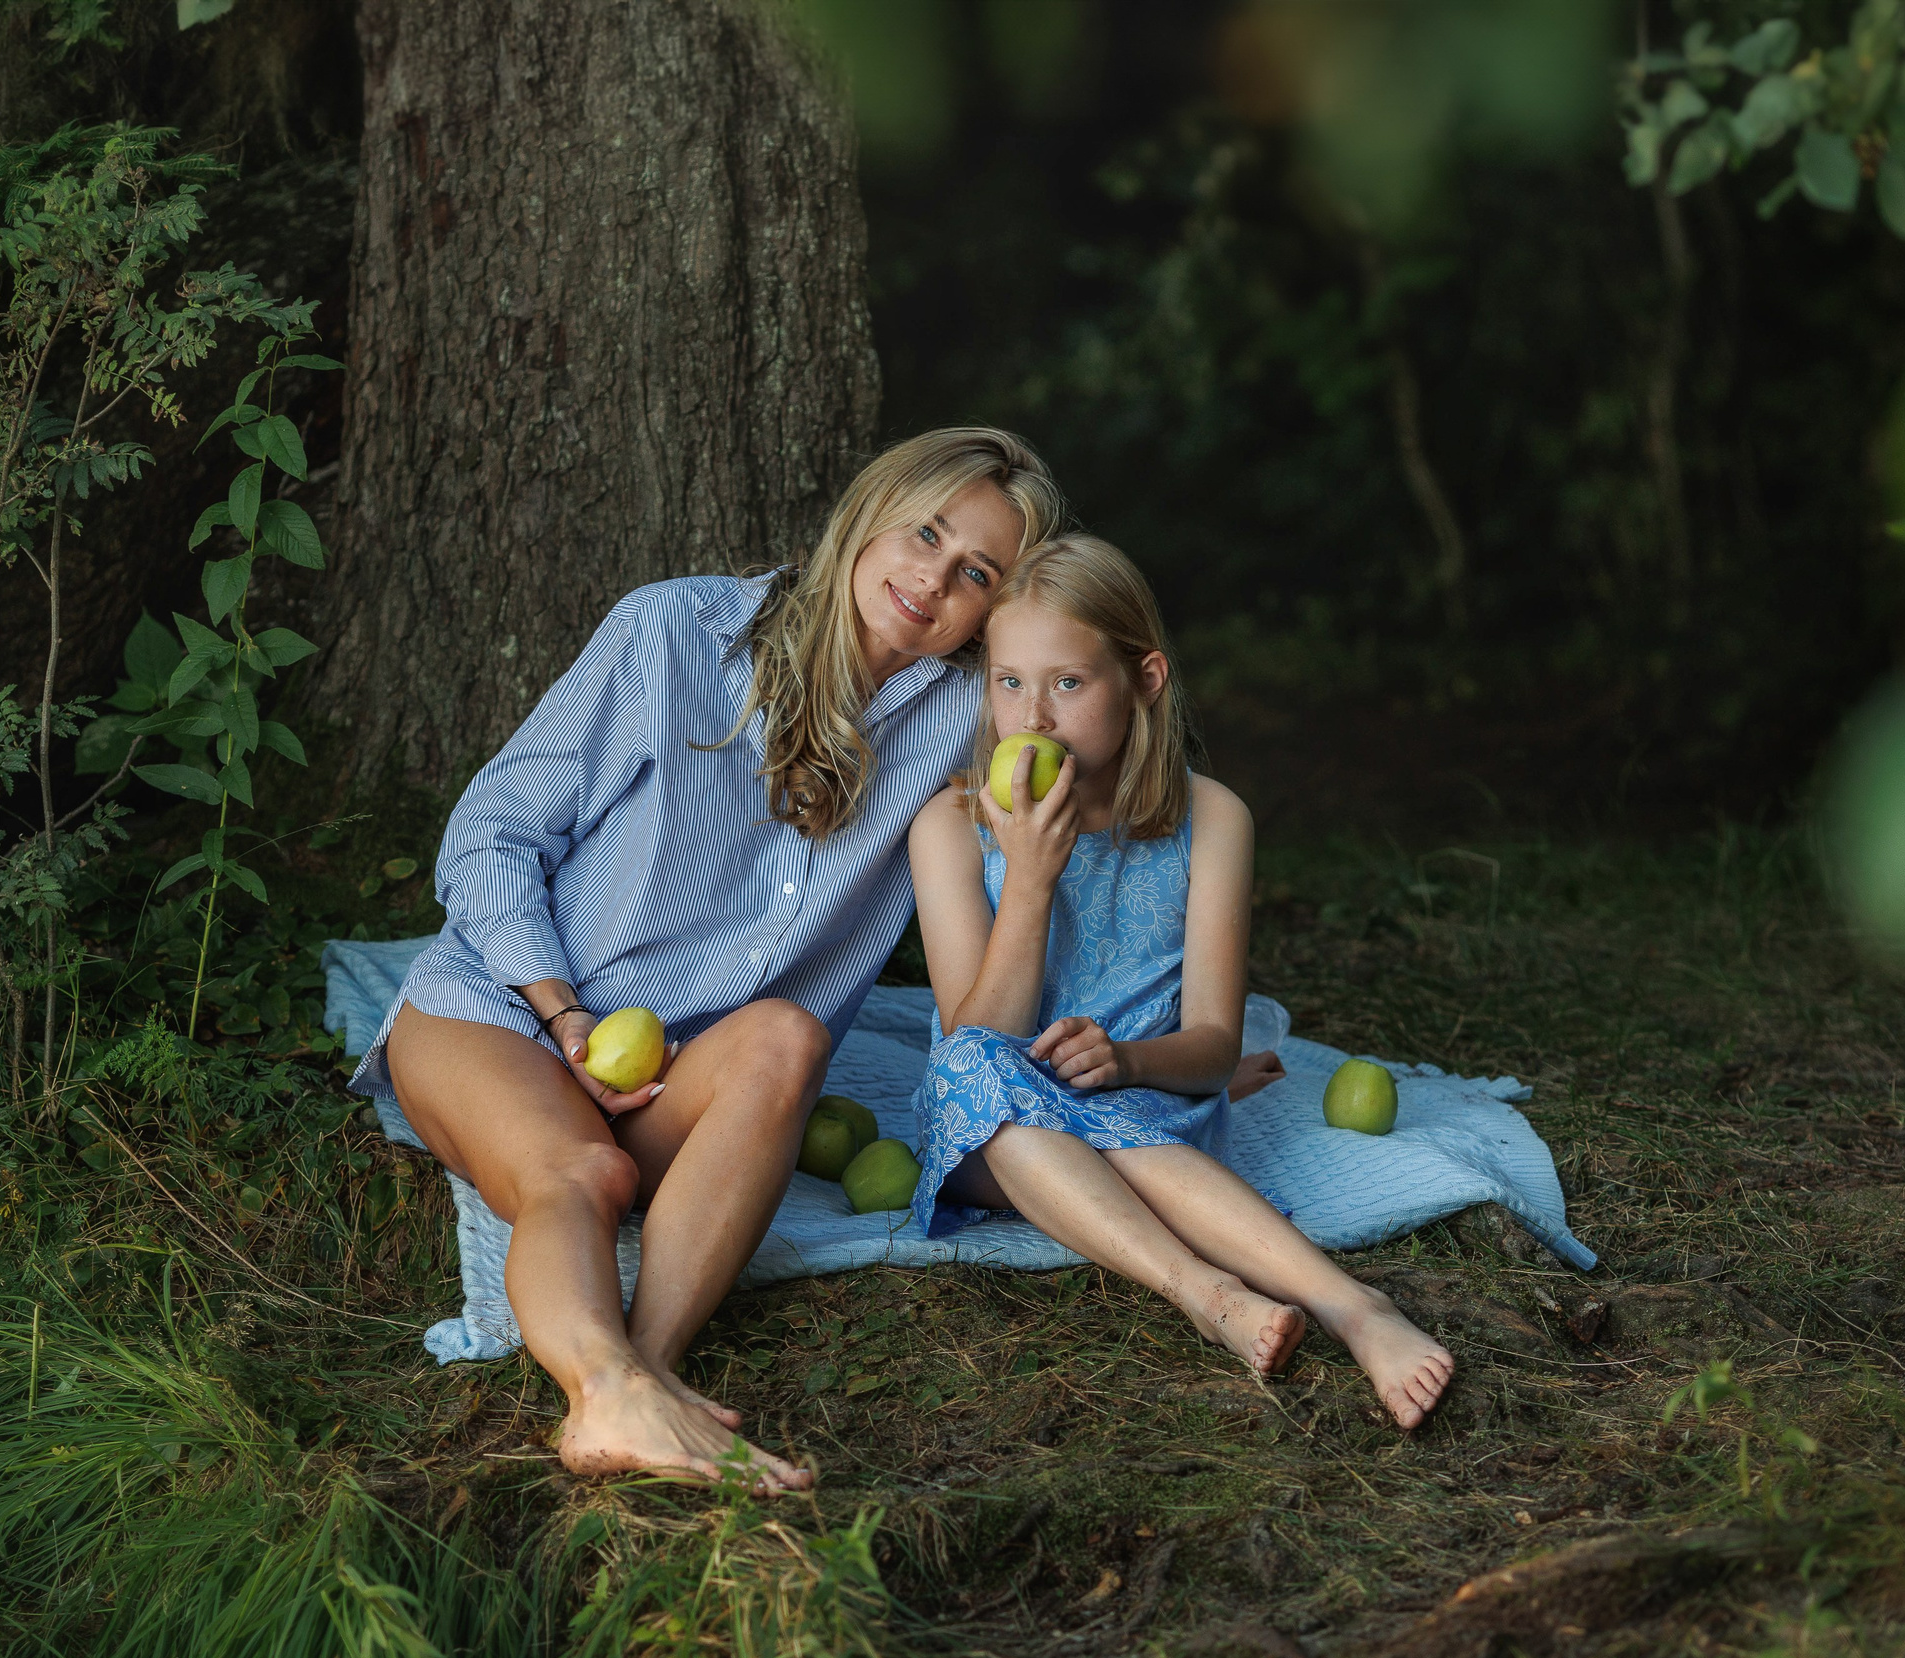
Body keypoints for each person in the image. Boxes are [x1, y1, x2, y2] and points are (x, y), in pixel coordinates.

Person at [354, 429, 1065, 1490]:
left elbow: (1100, 756)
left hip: (687, 1078)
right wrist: (562, 1012)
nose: (933, 579)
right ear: (869, 512)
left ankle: (645, 1375)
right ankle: (605, 1388)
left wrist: (1150, 1048)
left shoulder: (967, 719)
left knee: (789, 1036)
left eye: (977, 573)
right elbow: (493, 831)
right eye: (926, 533)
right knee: (583, 1173)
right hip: (504, 1013)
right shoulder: (676, 632)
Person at [906, 535, 1455, 1428]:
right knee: (971, 1068)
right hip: (993, 1131)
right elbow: (979, 1038)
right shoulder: (951, 825)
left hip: (1148, 1113)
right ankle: (1205, 1290)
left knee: (1095, 1120)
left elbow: (1211, 1049)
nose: (1033, 717)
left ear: (1145, 680)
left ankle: (1360, 1309)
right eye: (1009, 682)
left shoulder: (1213, 819)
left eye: (1068, 683)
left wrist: (1127, 1062)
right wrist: (1030, 882)